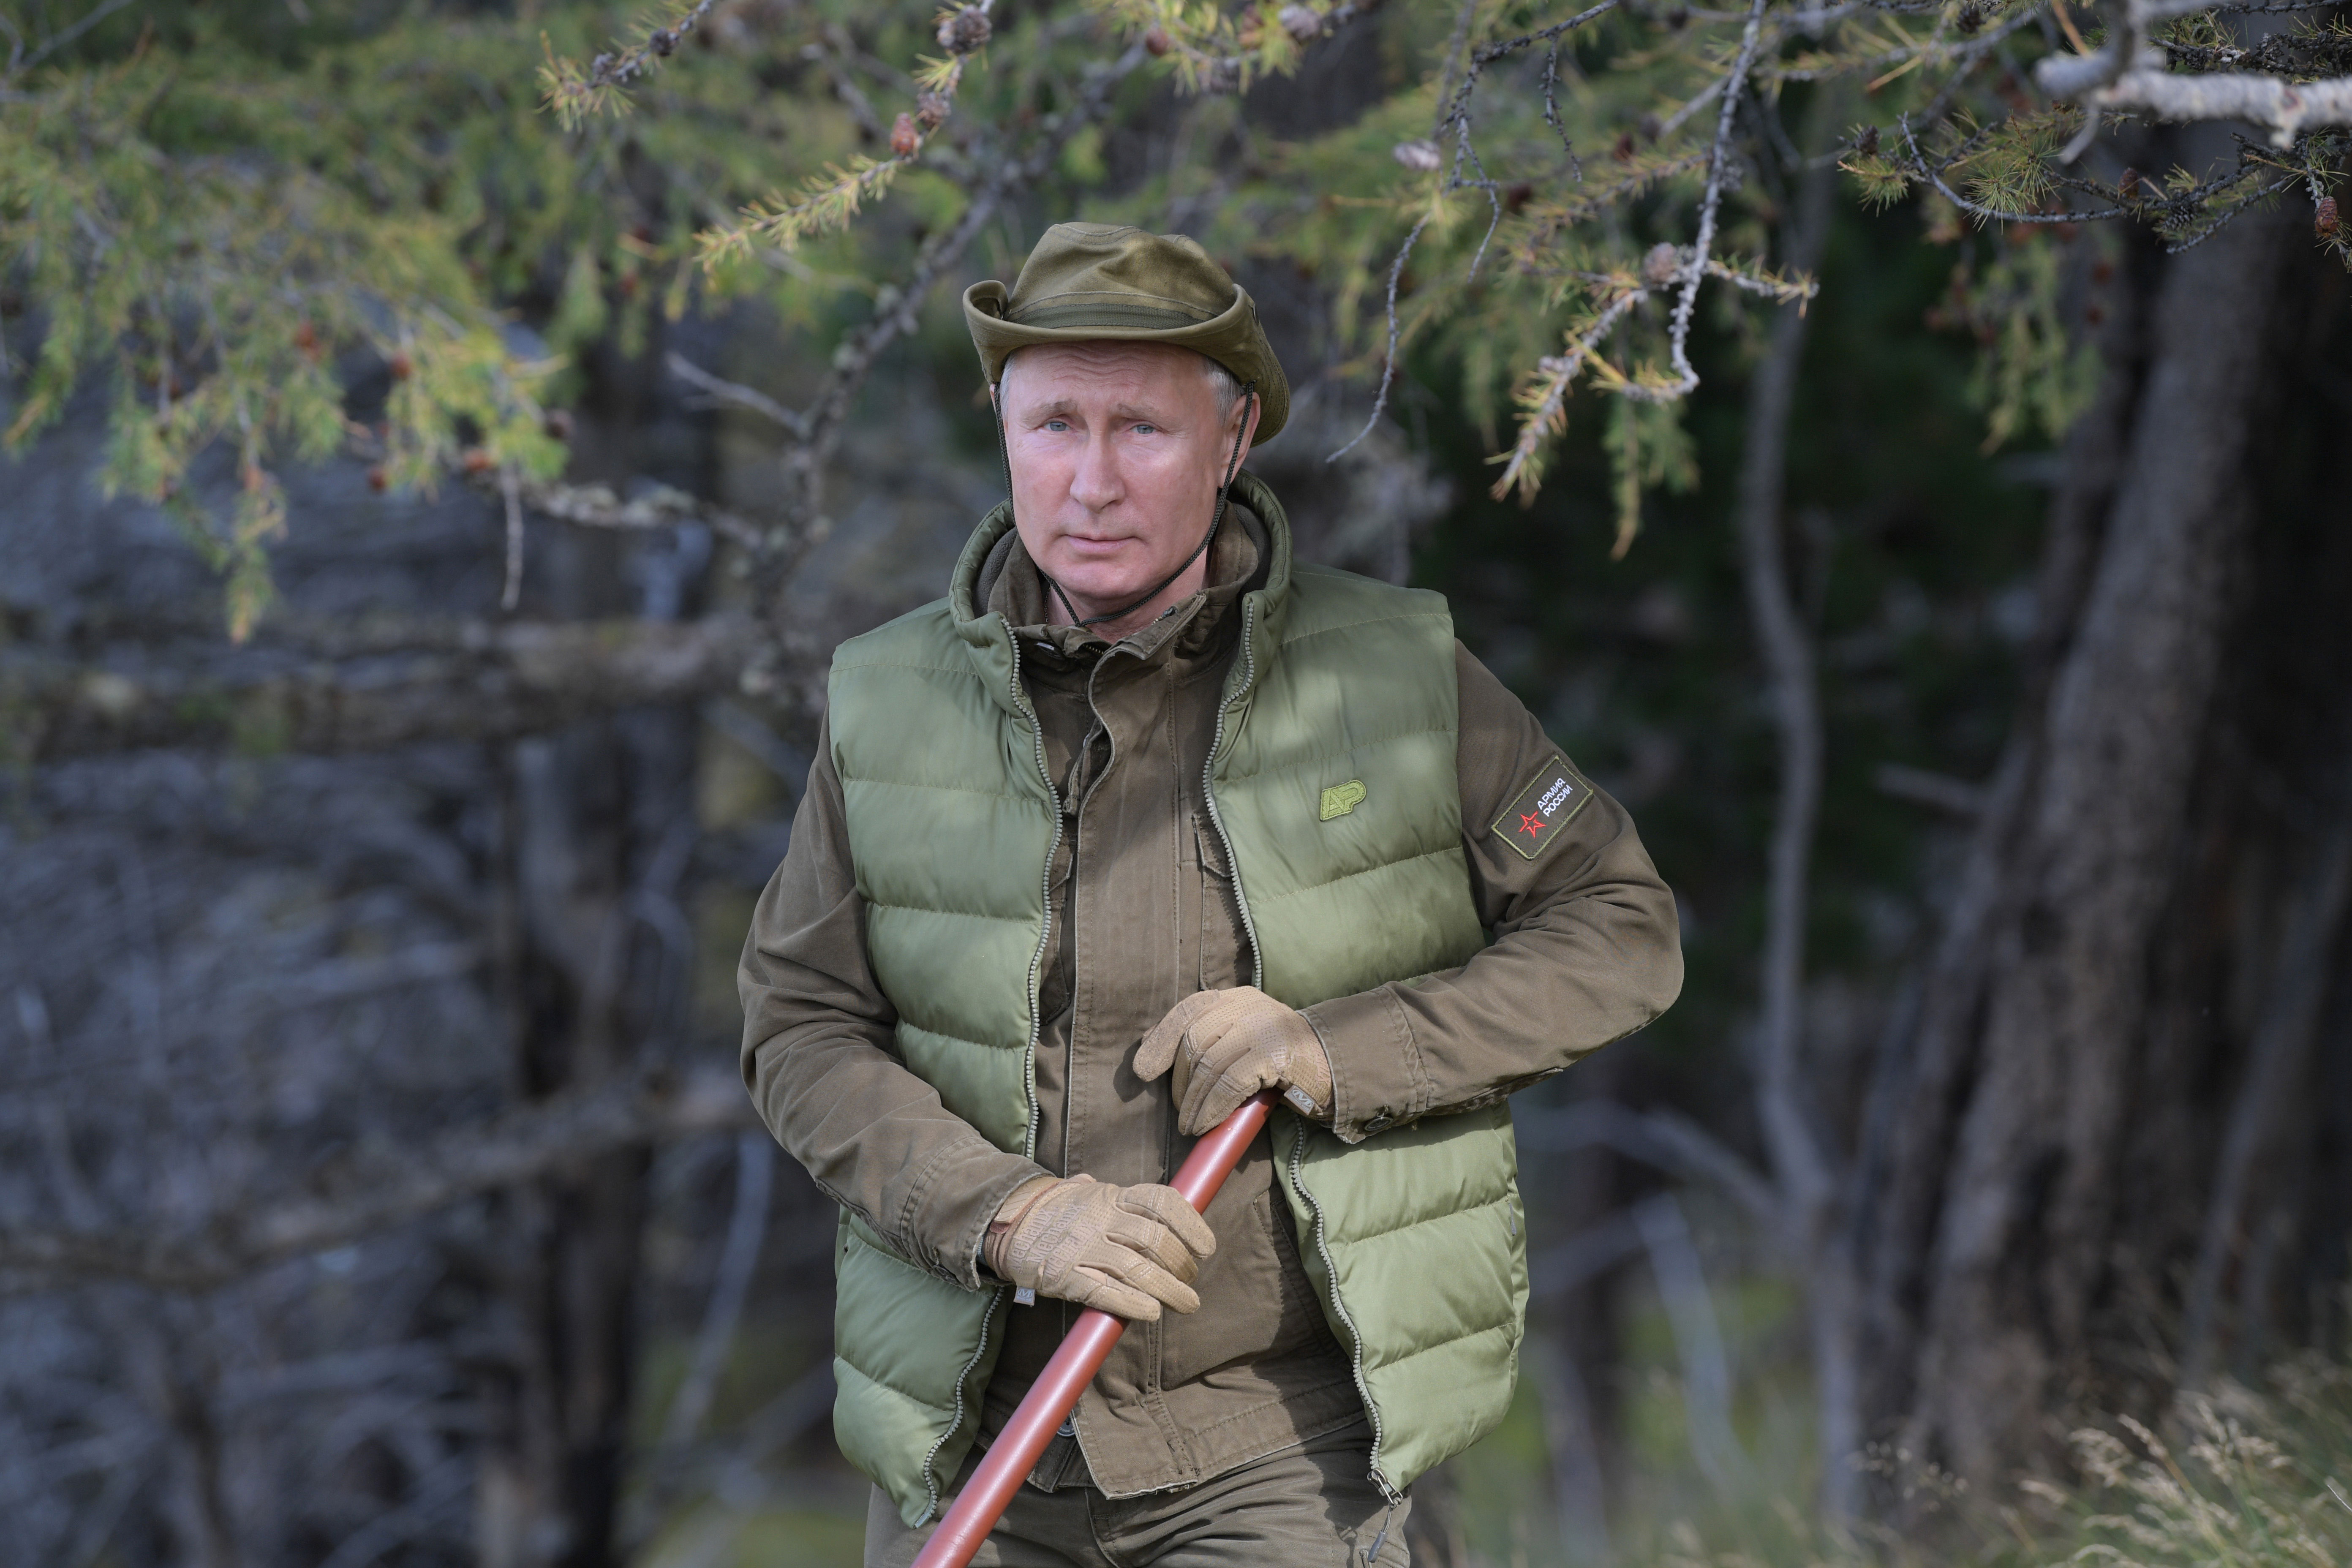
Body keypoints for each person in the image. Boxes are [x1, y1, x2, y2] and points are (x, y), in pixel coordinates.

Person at [739, 222, 1683, 1567]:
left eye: (1144, 429)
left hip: (1281, 1448)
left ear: (1233, 438)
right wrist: (1002, 1213)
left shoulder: (1394, 675)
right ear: (1002, 429)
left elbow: (1620, 932)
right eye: (1055, 425)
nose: (1092, 482)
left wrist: (1337, 1051)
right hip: (976, 1444)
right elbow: (799, 1026)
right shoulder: (887, 703)